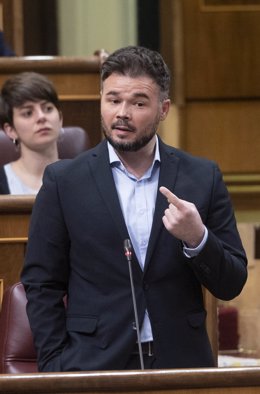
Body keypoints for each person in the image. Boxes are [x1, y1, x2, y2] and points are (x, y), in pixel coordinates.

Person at [21, 46, 247, 372]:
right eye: (113, 100)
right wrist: (55, 366)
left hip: (181, 364)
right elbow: (42, 283)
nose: (122, 113)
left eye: (138, 103)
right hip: (92, 364)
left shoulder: (202, 177)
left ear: (163, 109)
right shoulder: (64, 181)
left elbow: (232, 282)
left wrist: (198, 238)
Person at [0, 72, 63, 194]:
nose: (41, 117)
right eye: (28, 113)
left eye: (48, 109)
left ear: (60, 118)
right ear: (11, 130)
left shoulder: (85, 176)